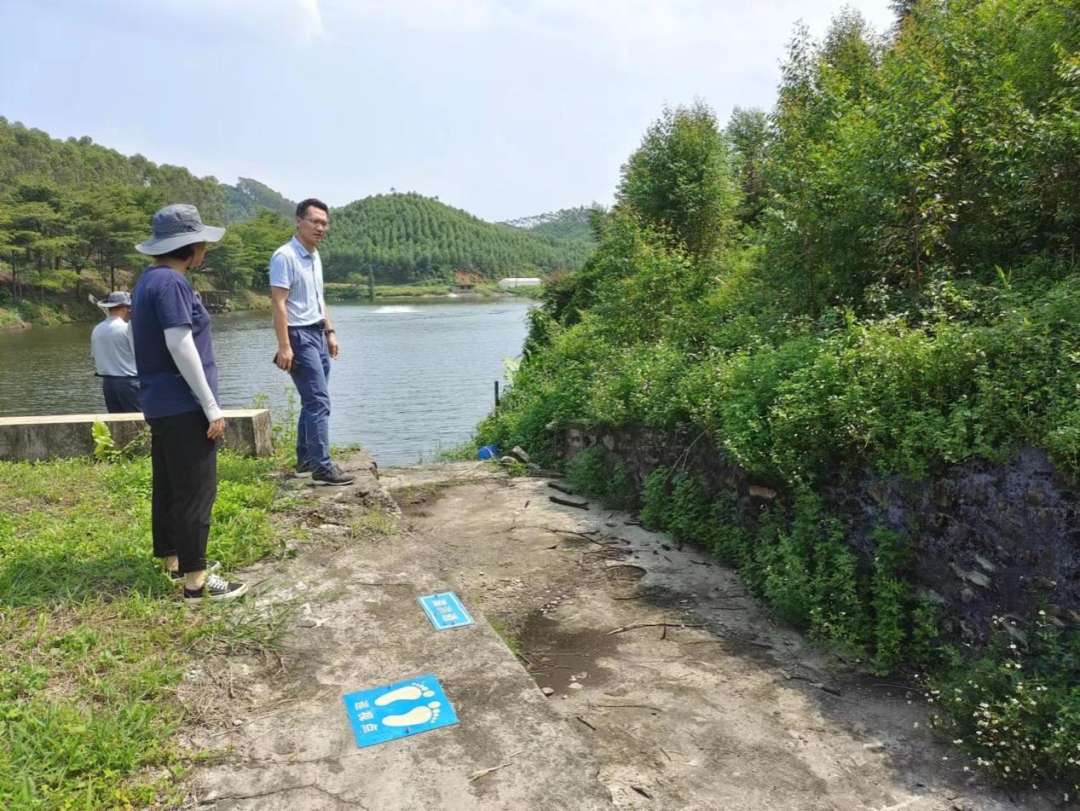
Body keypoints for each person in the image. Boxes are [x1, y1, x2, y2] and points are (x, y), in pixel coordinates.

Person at [131, 204, 247, 602]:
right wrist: (211, 406)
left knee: (168, 484)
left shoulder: (147, 281)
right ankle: (197, 583)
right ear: (190, 246)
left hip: (160, 403)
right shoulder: (174, 284)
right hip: (183, 405)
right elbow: (180, 344)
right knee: (197, 490)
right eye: (201, 243)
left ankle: (174, 559)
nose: (205, 250)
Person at [271, 198, 356, 486]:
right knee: (319, 400)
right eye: (315, 221)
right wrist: (284, 346)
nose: (321, 227)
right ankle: (322, 467)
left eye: (324, 223)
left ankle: (306, 461)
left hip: (317, 333)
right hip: (298, 335)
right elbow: (279, 304)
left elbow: (319, 299)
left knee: (312, 401)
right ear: (298, 220)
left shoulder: (314, 255)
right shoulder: (285, 256)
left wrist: (330, 331)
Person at [90, 291, 141, 413]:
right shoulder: (126, 328)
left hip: (108, 385)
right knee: (139, 424)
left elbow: (94, 355)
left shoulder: (97, 329)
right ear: (125, 309)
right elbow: (141, 356)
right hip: (129, 384)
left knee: (117, 425)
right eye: (129, 308)